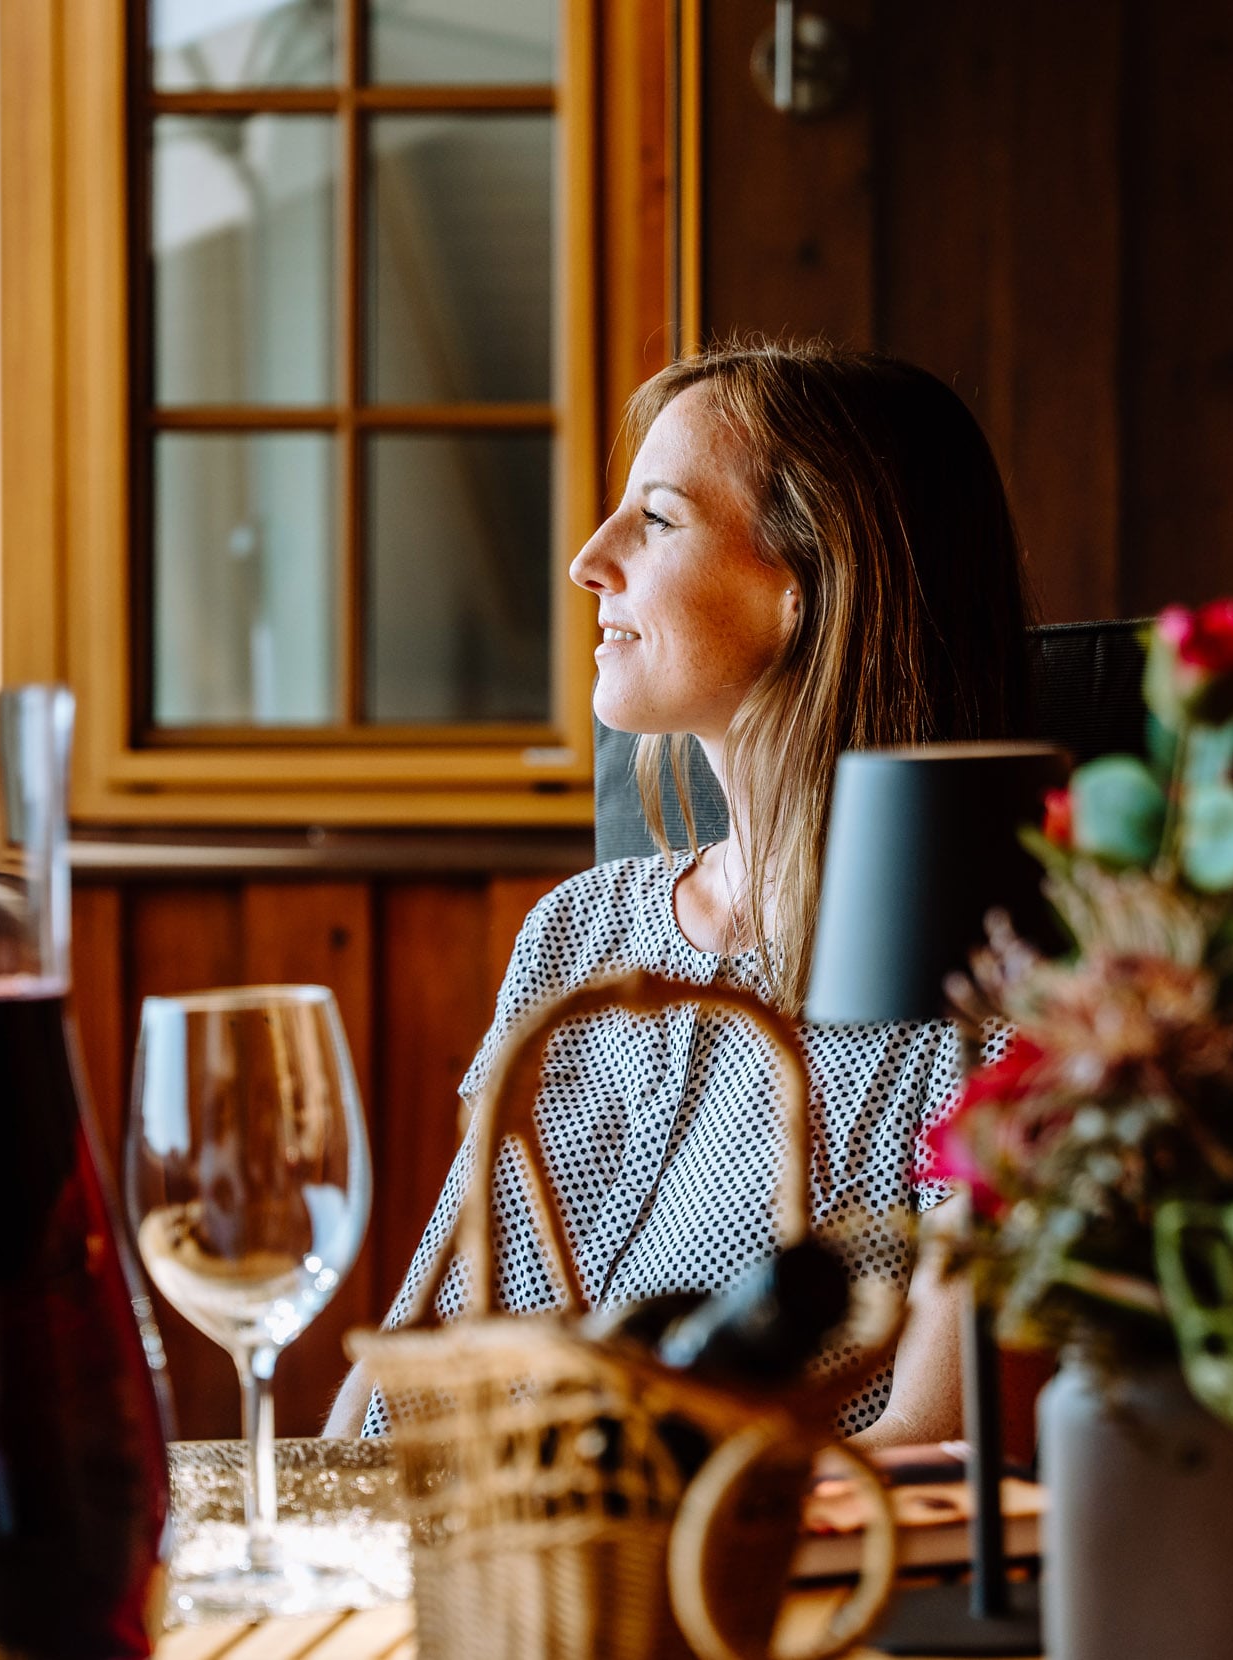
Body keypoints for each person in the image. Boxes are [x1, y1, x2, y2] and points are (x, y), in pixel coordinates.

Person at [328, 340, 1033, 1443]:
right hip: (443, 1539)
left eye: (656, 519)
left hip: (739, 1552)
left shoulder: (990, 990)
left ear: (807, 586)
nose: (588, 561)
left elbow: (943, 1437)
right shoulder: (573, 931)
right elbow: (404, 1366)